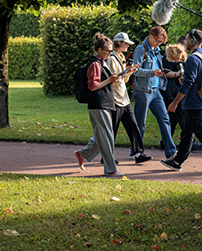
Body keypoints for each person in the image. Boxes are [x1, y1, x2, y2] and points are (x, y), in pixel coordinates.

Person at [160, 29, 202, 175]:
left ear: (192, 40)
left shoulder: (192, 58)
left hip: (193, 103)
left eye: (186, 39)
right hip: (200, 101)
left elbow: (187, 84)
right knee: (187, 131)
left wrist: (175, 103)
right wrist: (184, 80)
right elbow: (195, 79)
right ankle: (177, 161)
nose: (185, 42)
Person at [74, 33, 123, 177]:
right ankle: (110, 169)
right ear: (100, 50)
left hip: (104, 102)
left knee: (104, 135)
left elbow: (106, 81)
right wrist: (109, 80)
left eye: (110, 51)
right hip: (98, 103)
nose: (110, 53)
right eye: (108, 51)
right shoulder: (95, 63)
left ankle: (82, 154)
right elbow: (92, 86)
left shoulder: (102, 62)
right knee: (106, 137)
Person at [131, 26, 177, 159]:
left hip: (156, 91)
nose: (159, 44)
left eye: (161, 42)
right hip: (143, 91)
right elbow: (135, 70)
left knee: (164, 119)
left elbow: (158, 67)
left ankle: (171, 151)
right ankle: (135, 152)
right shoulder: (141, 49)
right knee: (140, 123)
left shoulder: (156, 49)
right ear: (150, 36)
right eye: (158, 41)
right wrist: (152, 73)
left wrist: (163, 72)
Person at [108, 32, 152, 164]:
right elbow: (113, 80)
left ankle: (139, 153)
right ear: (119, 43)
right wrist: (126, 72)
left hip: (124, 99)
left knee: (133, 127)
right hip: (115, 99)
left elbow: (124, 80)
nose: (128, 45)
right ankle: (107, 157)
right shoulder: (111, 59)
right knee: (112, 130)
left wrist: (129, 71)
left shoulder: (121, 57)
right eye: (126, 43)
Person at [160, 36, 202, 151]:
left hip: (177, 90)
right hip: (171, 91)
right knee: (181, 117)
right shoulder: (170, 57)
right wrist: (179, 75)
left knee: (173, 119)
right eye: (185, 46)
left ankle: (166, 142)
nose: (186, 48)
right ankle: (189, 142)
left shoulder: (185, 58)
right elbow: (165, 72)